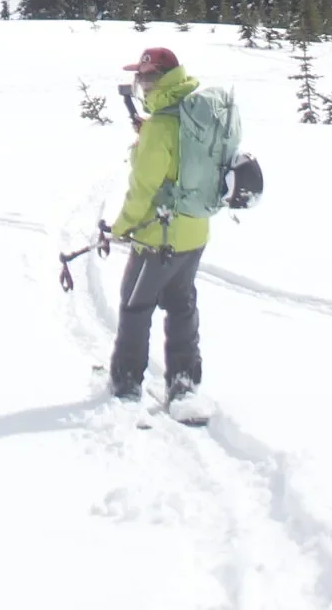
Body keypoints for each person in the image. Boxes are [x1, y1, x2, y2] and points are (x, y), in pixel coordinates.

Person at [108, 45, 215, 413]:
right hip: (195, 232)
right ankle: (184, 383)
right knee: (182, 305)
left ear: (157, 80)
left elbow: (143, 190)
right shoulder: (194, 114)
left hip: (158, 237)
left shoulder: (160, 127)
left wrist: (121, 227)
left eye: (144, 78)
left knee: (135, 306)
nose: (142, 85)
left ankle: (126, 384)